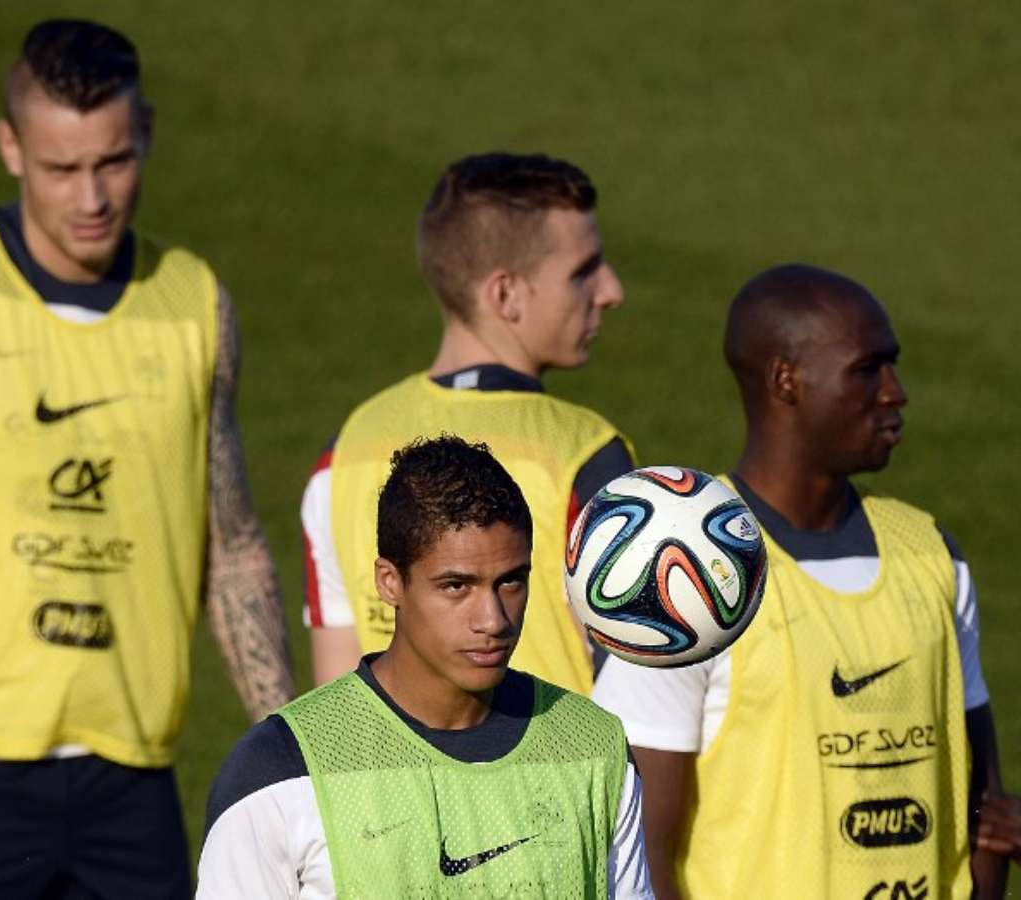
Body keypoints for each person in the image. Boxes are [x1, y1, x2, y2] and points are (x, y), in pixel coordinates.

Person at [0, 19, 293, 898]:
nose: (92, 197)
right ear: (11, 148)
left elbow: (230, 546)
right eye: (61, 169)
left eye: (113, 162)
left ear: (146, 133)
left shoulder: (193, 304)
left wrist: (287, 744)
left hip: (131, 778)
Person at [591, 263, 1008, 898]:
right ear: (786, 380)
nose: (895, 392)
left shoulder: (931, 555)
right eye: (868, 369)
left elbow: (984, 809)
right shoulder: (683, 574)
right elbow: (639, 848)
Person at [199, 436, 652, 898]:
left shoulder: (594, 747)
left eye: (511, 581)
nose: (493, 620)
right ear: (389, 582)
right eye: (456, 586)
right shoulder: (277, 773)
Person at [304, 152, 635, 695]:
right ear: (505, 294)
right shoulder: (585, 452)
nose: (611, 291)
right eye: (583, 272)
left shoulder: (344, 452)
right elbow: (640, 694)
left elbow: (335, 701)